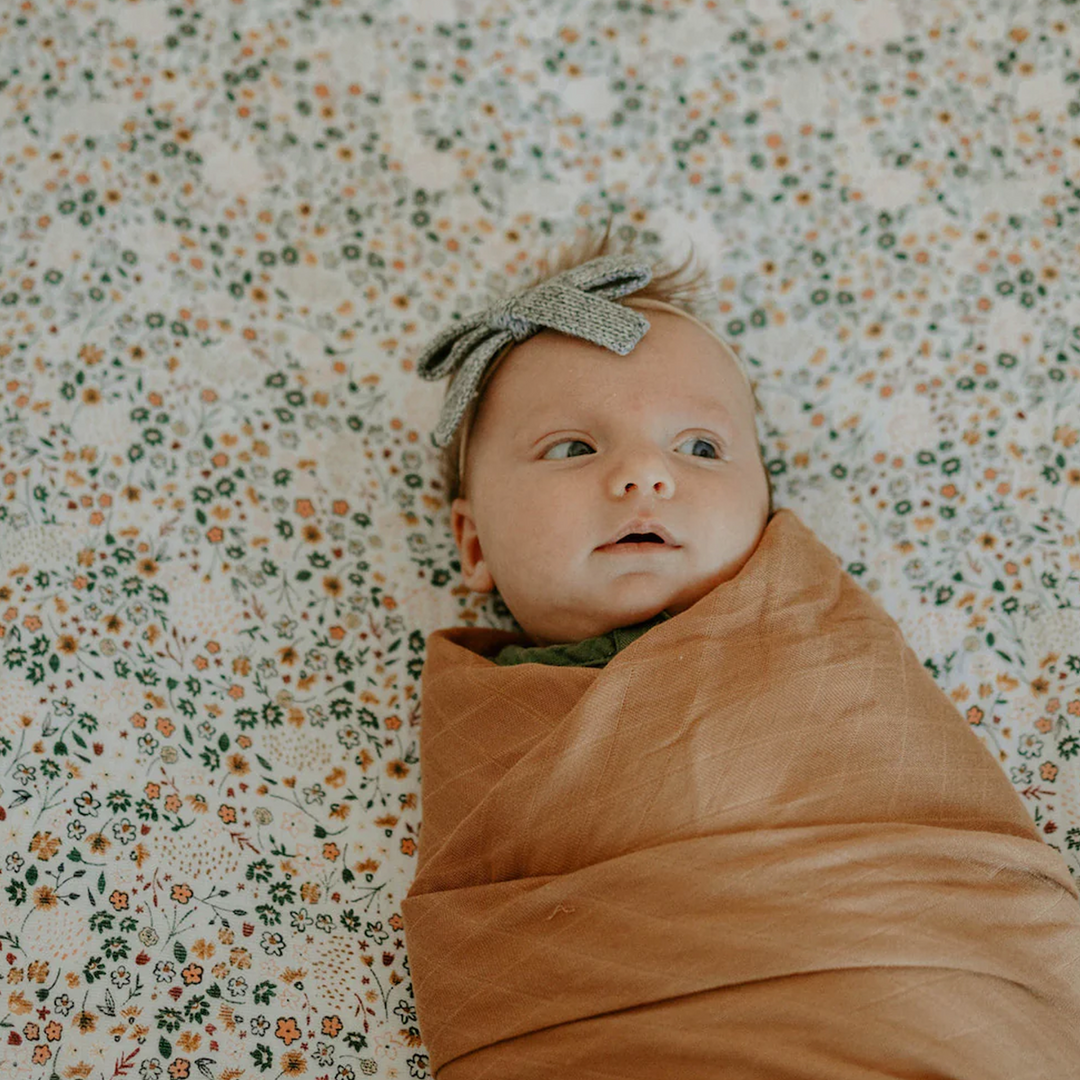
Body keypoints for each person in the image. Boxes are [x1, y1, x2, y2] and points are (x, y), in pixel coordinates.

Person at [420, 218, 775, 663]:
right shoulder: (482, 697)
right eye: (573, 449)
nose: (644, 471)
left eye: (700, 448)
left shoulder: (823, 630)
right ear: (475, 546)